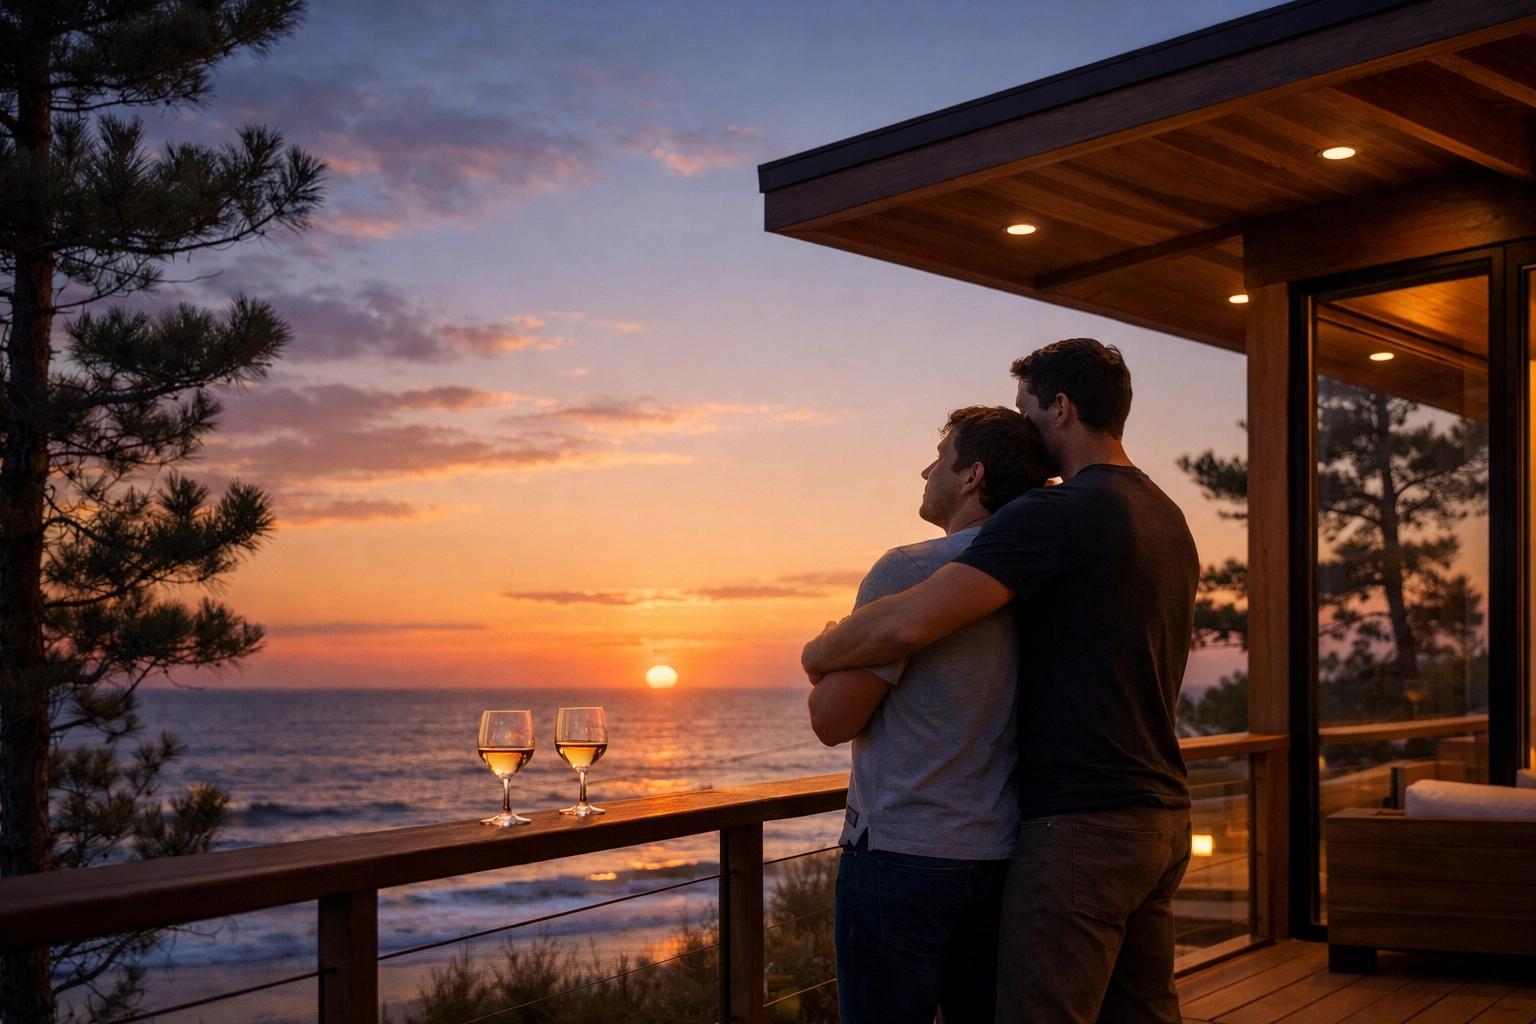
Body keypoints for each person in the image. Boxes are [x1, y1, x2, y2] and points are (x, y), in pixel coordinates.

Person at [803, 339, 1198, 1024]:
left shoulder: (1059, 513)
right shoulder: (1167, 517)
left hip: (1080, 829)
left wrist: (821, 647)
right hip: (1160, 818)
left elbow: (908, 626)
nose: (1027, 427)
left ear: (1061, 407)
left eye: (1027, 408)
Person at [808, 405, 1050, 1024]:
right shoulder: (1039, 575)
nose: (924, 468)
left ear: (971, 476)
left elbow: (832, 722)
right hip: (998, 855)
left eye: (939, 456)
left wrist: (827, 651)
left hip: (900, 855)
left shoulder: (911, 569)